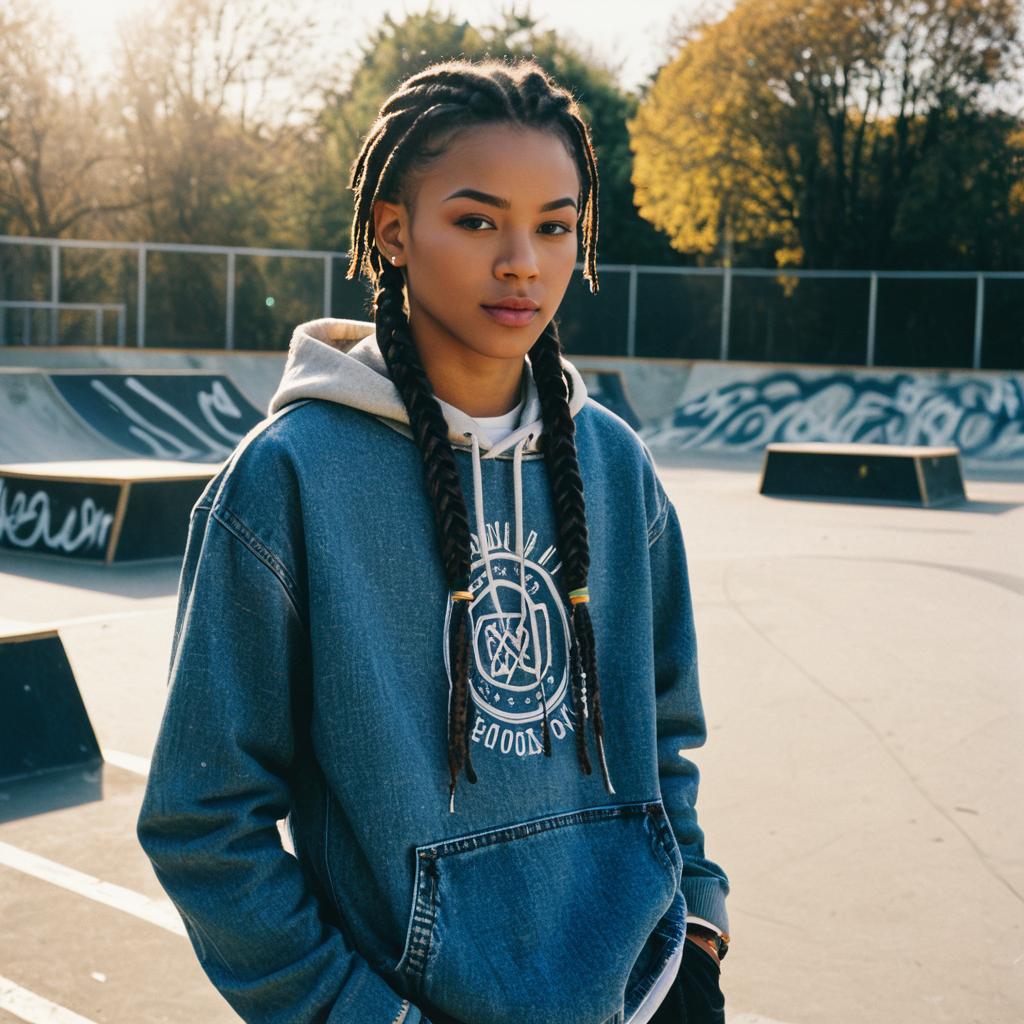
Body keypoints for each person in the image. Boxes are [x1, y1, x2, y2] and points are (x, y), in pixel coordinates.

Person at [136, 56, 731, 1024]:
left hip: (650, 989)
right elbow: (204, 820)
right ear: (390, 231)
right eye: (475, 219)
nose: (521, 262)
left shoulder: (614, 463)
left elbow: (665, 728)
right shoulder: (292, 475)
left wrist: (697, 914)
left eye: (554, 225)